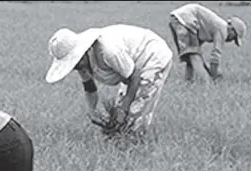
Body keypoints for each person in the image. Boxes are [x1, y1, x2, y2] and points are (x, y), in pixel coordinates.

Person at [45, 24, 173, 140]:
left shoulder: (108, 51)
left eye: (75, 62)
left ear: (82, 52)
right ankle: (122, 146)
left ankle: (138, 147)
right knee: (119, 118)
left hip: (152, 55)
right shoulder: (82, 63)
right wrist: (92, 111)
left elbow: (135, 75)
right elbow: (89, 87)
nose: (75, 67)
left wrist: (124, 108)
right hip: (131, 69)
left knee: (135, 113)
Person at [169, 3, 247, 82]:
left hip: (177, 18)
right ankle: (206, 84)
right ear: (231, 28)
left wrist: (208, 69)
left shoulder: (209, 27)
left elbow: (199, 53)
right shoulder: (223, 29)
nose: (231, 40)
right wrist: (214, 74)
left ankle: (188, 82)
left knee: (191, 56)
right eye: (234, 37)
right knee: (193, 54)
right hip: (186, 19)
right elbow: (216, 55)